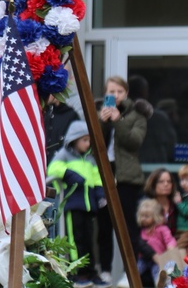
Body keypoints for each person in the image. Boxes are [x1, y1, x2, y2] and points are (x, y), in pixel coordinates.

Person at [97, 75, 150, 284]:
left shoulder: (137, 114)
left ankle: (131, 271)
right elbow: (92, 142)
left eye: (119, 92)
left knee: (129, 227)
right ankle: (105, 271)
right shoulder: (99, 111)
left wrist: (118, 120)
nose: (115, 96)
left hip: (127, 177)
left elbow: (134, 142)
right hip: (103, 176)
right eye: (111, 92)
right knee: (104, 225)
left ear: (126, 93)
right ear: (106, 93)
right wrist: (101, 122)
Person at [47, 121, 105, 288]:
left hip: (88, 206)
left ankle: (91, 271)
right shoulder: (64, 155)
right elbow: (53, 169)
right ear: (74, 139)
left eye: (89, 140)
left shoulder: (90, 159)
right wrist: (69, 173)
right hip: (72, 205)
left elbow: (96, 178)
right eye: (84, 140)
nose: (87, 144)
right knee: (75, 240)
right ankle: (77, 271)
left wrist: (100, 193)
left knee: (89, 241)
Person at [135, 198, 177, 287]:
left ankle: (160, 282)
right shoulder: (143, 230)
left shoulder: (162, 229)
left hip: (158, 258)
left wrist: (170, 247)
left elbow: (169, 239)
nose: (143, 219)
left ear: (155, 216)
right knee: (136, 270)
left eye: (147, 216)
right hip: (144, 258)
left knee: (157, 271)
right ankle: (129, 281)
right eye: (142, 216)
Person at [143, 168, 178, 236]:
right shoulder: (146, 206)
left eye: (169, 181)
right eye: (161, 181)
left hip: (176, 244)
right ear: (153, 184)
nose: (166, 184)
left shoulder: (177, 206)